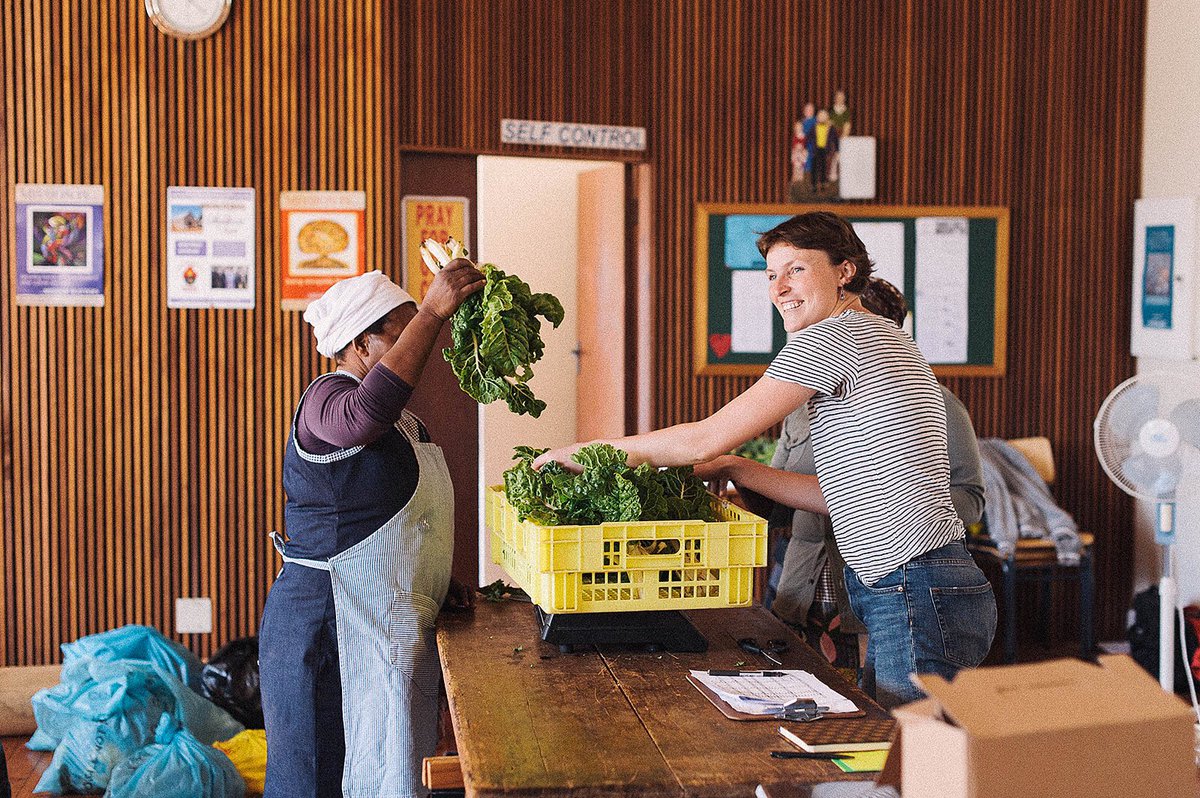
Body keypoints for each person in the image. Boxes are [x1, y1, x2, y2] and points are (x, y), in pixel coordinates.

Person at [534, 212, 996, 708]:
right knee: (892, 757)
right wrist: (736, 466)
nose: (780, 288)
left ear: (845, 271)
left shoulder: (832, 338)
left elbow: (700, 439)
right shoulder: (886, 338)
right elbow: (841, 495)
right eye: (771, 275)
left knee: (918, 769)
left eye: (796, 269)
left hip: (913, 589)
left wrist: (582, 453)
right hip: (922, 584)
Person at [259, 262, 484, 798]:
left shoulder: (405, 422)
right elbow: (362, 416)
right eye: (403, 331)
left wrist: (430, 579)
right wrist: (431, 310)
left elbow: (397, 518)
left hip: (383, 624)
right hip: (325, 630)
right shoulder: (325, 400)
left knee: (390, 770)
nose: (421, 342)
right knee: (317, 776)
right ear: (361, 345)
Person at [752, 278, 985, 684]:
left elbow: (970, 495)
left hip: (879, 584)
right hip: (801, 583)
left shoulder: (936, 399)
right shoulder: (801, 403)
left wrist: (900, 501)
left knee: (878, 713)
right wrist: (740, 481)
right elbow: (780, 493)